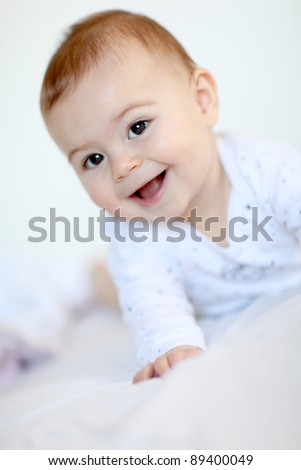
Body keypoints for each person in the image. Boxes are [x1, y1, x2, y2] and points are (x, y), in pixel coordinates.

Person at [40, 10, 301, 383]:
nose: (122, 167)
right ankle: (93, 278)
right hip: (183, 295)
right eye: (93, 158)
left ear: (201, 101)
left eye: (137, 127)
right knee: (119, 292)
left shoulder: (267, 169)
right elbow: (151, 302)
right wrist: (170, 345)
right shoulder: (132, 229)